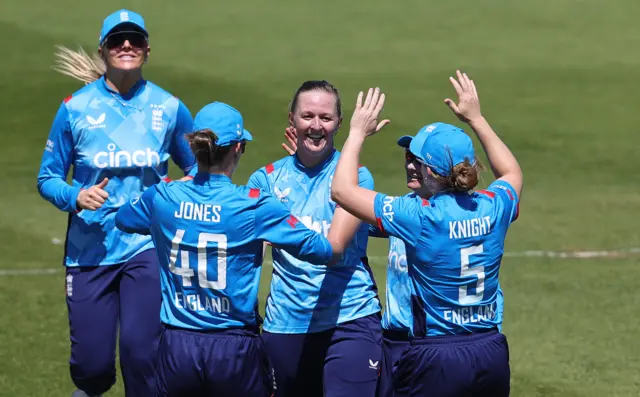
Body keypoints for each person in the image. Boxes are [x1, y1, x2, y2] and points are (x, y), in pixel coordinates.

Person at [115, 101, 338, 396]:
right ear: (237, 148)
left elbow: (124, 219)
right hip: (234, 348)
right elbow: (322, 250)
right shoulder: (255, 205)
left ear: (194, 147)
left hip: (176, 345)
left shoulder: (162, 197)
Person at [331, 71, 522, 397]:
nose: (408, 164)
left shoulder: (419, 216)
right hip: (490, 349)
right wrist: (476, 119)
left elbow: (342, 190)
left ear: (430, 170)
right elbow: (512, 172)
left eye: (413, 159)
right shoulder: (493, 206)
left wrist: (357, 135)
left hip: (436, 354)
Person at [37, 9, 196, 397]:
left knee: (143, 355)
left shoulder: (169, 107)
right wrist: (76, 195)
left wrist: (177, 193)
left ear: (147, 49)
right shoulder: (74, 109)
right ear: (103, 50)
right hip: (89, 249)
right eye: (117, 40)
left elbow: (198, 167)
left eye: (135, 39)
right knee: (91, 369)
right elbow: (47, 178)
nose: (127, 45)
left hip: (146, 246)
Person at [248, 80, 382, 397]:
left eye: (326, 117)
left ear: (338, 123)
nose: (316, 126)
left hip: (349, 318)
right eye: (307, 116)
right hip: (286, 324)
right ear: (292, 120)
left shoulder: (356, 178)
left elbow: (333, 250)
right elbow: (248, 256)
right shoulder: (265, 180)